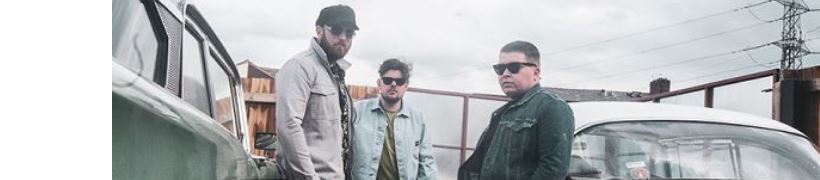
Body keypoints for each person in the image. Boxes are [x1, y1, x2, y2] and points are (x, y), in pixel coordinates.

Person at [457, 40, 575, 180]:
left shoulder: (552, 107)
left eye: (514, 67)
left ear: (536, 73)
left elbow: (553, 170)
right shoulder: (502, 113)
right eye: (500, 69)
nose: (505, 74)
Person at [275, 5, 358, 180]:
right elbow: (289, 126)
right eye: (336, 30)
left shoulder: (336, 75)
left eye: (349, 33)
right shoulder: (300, 67)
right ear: (319, 31)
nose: (343, 38)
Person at [351, 59, 437, 180]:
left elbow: (427, 163)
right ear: (379, 83)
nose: (393, 84)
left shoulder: (417, 119)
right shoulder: (356, 111)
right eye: (387, 80)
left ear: (406, 86)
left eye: (399, 81)